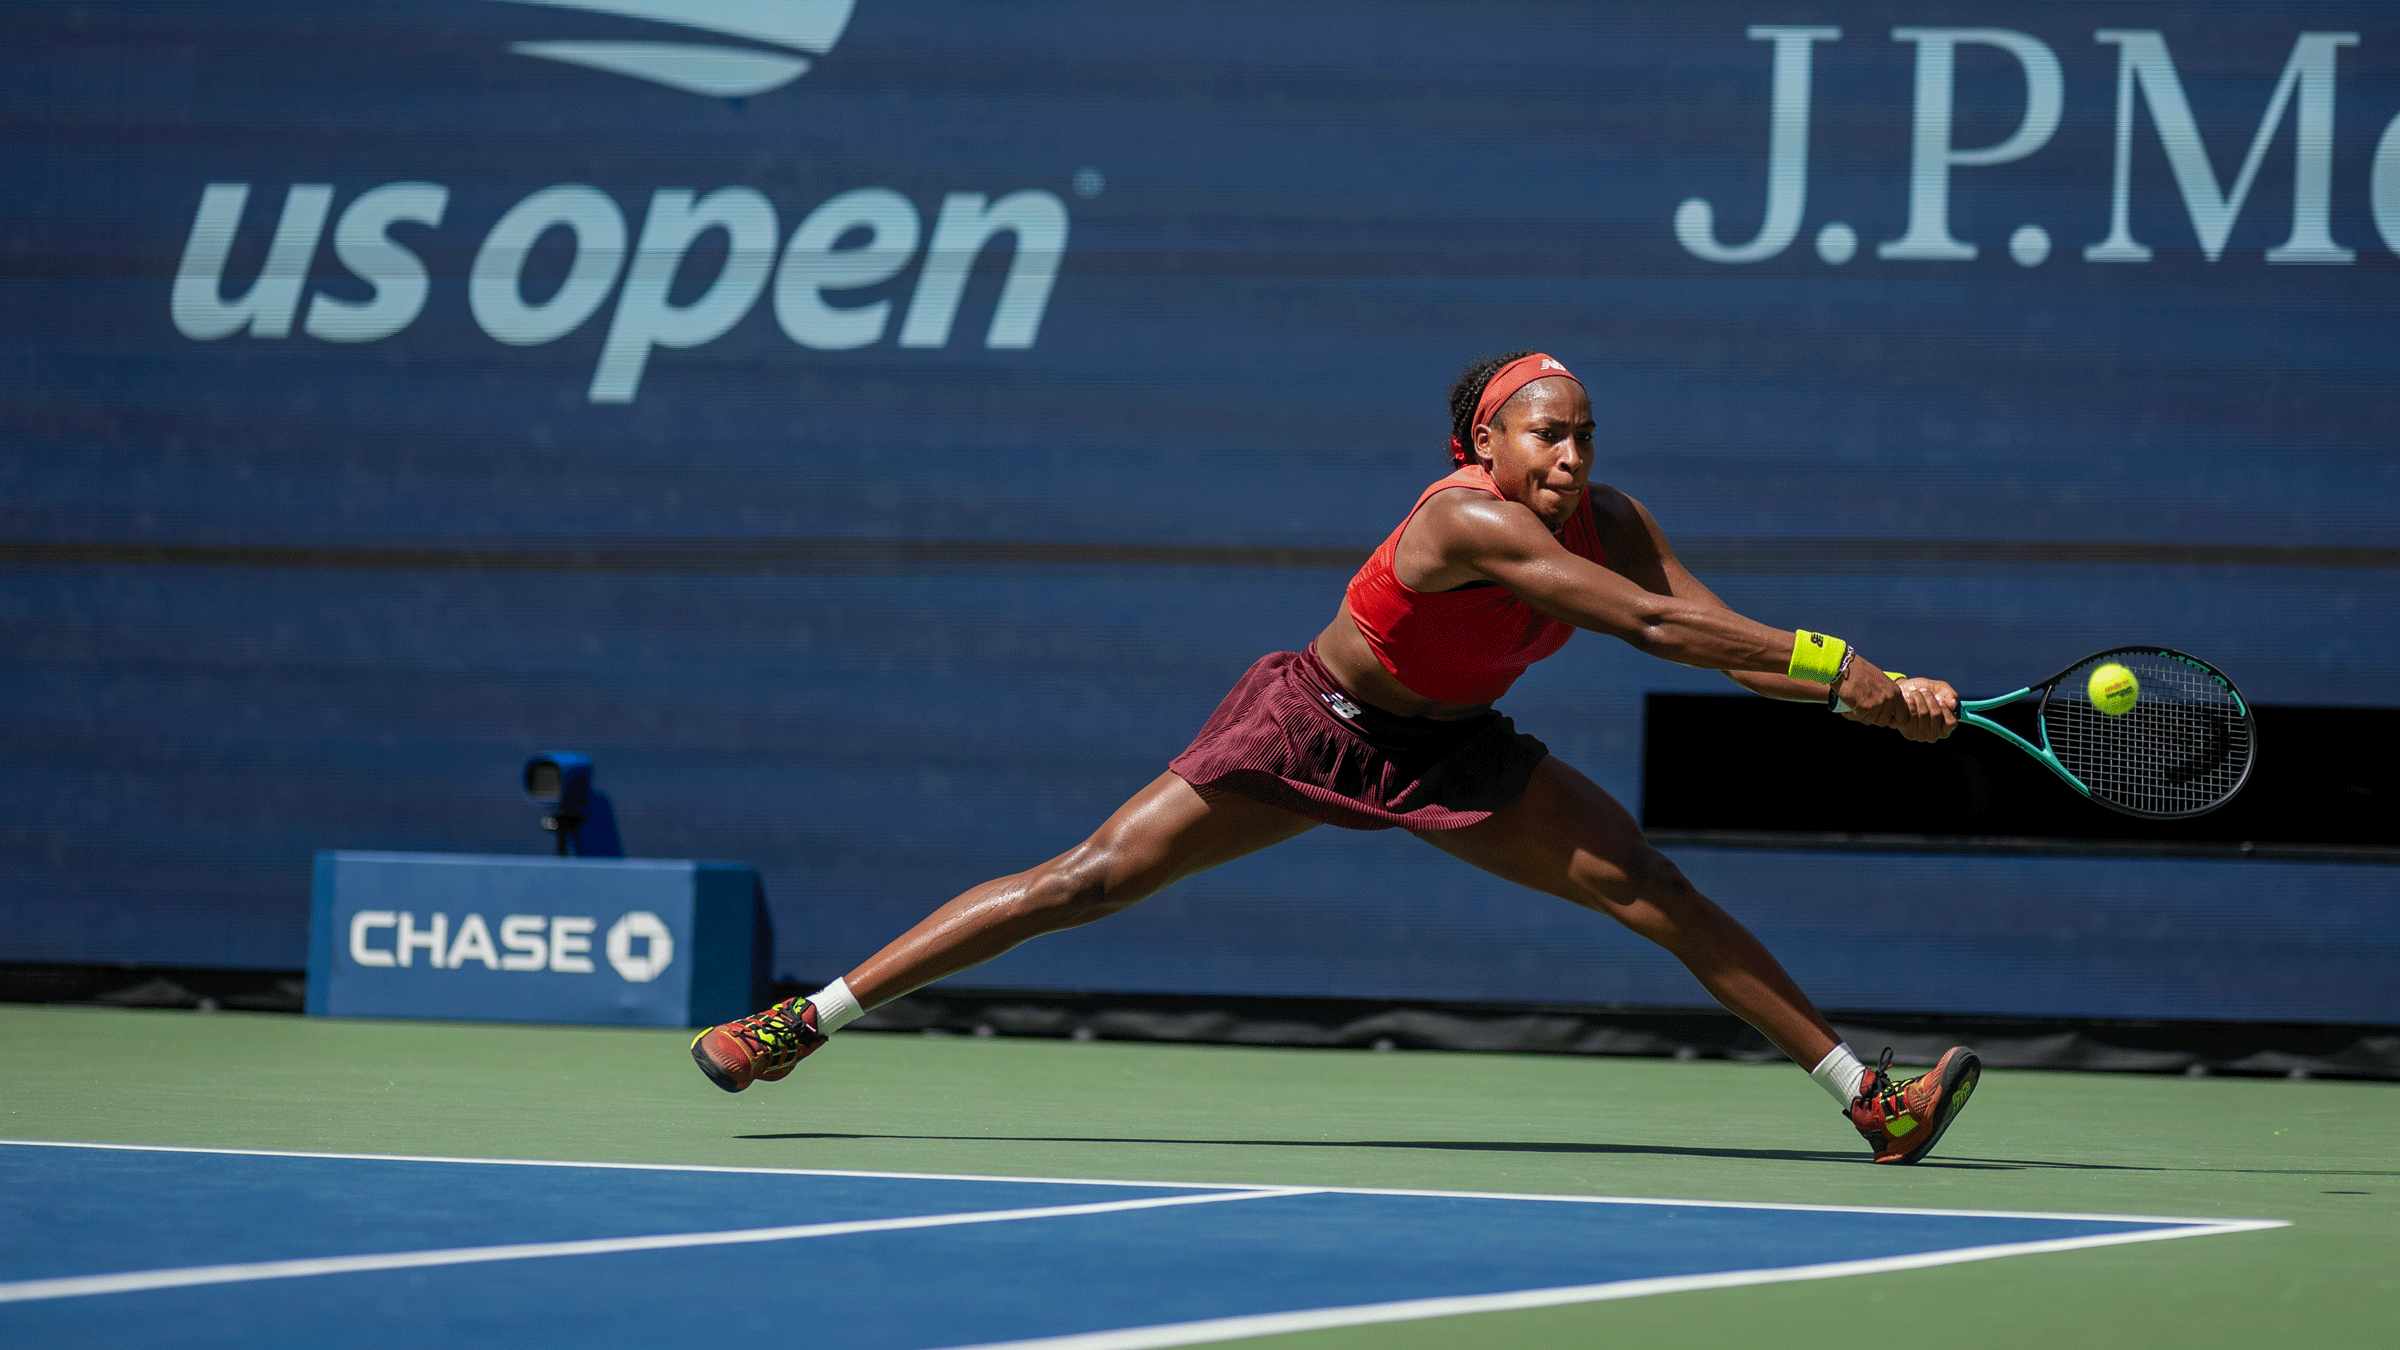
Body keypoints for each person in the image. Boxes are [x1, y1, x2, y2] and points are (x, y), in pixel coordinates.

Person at [692, 351, 1980, 1165]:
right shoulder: (1468, 523)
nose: (1573, 453)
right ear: (1485, 448)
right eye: (1545, 434)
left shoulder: (1612, 518)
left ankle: (1871, 1098)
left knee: (1653, 888)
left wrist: (1865, 702)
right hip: (1312, 727)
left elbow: (1707, 635)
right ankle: (803, 1020)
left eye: (1584, 431)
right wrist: (1833, 663)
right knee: (1082, 883)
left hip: (1457, 751)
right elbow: (1646, 623)